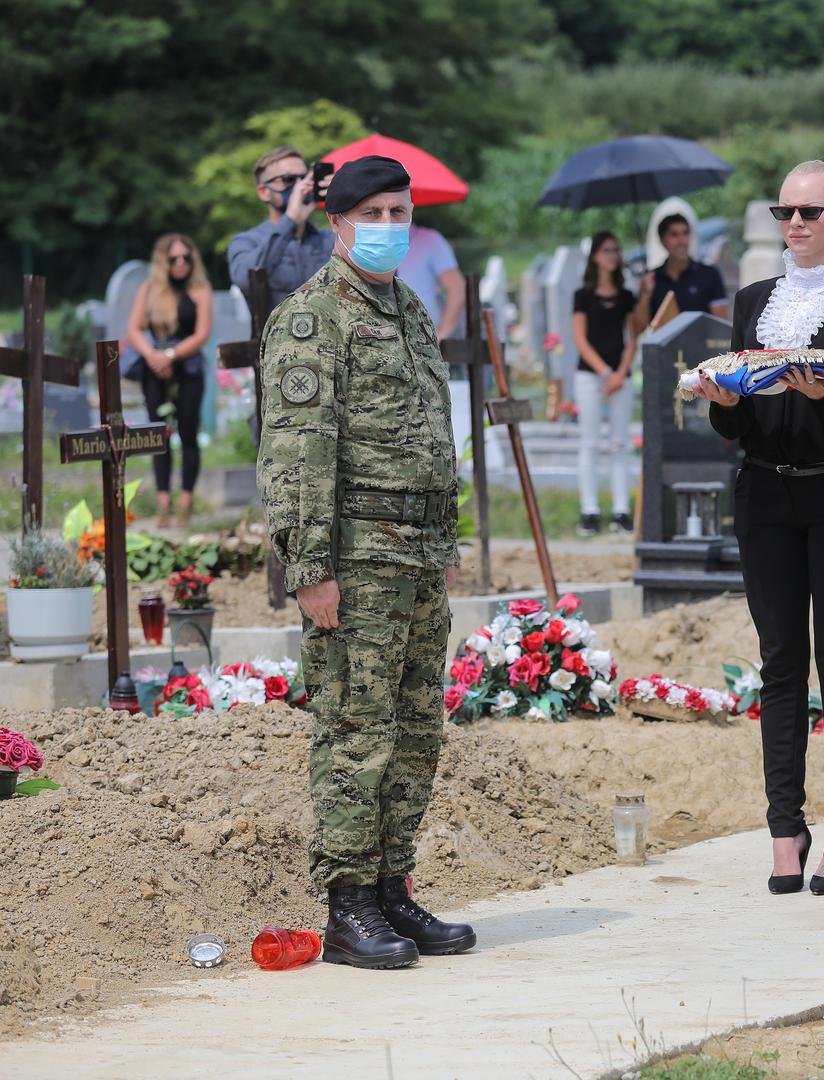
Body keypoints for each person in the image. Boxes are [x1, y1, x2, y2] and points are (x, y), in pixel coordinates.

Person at [256, 155, 474, 970]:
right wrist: (310, 569)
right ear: (338, 221)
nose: (391, 226)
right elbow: (297, 453)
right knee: (356, 730)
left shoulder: (409, 307)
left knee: (416, 730)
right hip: (356, 556)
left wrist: (444, 542)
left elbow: (431, 431)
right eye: (374, 213)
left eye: (400, 211)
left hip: (416, 555)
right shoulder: (314, 318)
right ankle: (347, 902)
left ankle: (392, 889)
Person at [688, 160, 824, 900]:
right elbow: (732, 417)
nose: (796, 225)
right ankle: (784, 825)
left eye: (811, 212)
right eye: (785, 212)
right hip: (764, 493)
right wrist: (720, 398)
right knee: (778, 663)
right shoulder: (751, 301)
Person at [124, 233, 213, 528]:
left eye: (186, 258)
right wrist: (153, 355)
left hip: (187, 367)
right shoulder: (148, 290)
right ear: (163, 261)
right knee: (158, 435)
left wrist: (171, 355)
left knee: (188, 434)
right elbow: (135, 329)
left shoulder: (200, 291)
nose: (180, 264)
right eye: (173, 258)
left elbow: (201, 335)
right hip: (155, 368)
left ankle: (185, 503)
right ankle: (164, 503)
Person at [572, 231, 639, 536]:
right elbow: (580, 340)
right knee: (590, 442)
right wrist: (604, 374)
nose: (612, 255)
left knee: (620, 443)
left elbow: (633, 338)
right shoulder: (582, 296)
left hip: (620, 376)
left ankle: (621, 510)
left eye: (616, 250)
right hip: (590, 375)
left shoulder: (627, 297)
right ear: (595, 256)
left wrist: (620, 372)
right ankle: (589, 510)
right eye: (606, 250)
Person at [227, 145, 335, 307]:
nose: (300, 186)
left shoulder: (329, 239)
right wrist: (290, 219)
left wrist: (340, 207)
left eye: (304, 178)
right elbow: (246, 280)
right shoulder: (246, 241)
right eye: (288, 180)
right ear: (264, 192)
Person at [634, 214, 729, 326]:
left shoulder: (709, 274)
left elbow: (720, 323)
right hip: (663, 343)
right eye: (674, 235)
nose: (682, 241)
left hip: (700, 342)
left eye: (685, 233)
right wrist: (645, 294)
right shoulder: (651, 278)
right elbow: (640, 327)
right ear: (662, 240)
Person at [397, 222, 466, 343]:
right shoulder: (367, 242)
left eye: (397, 210)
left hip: (422, 343)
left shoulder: (430, 240)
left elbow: (457, 287)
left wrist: (443, 333)